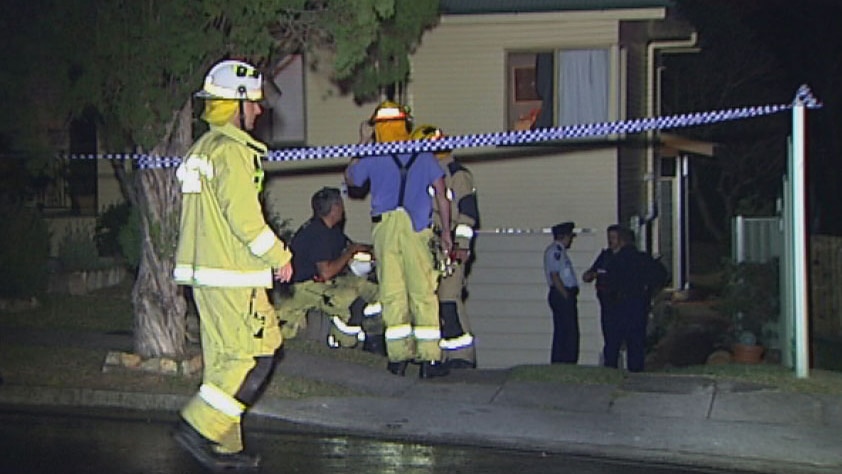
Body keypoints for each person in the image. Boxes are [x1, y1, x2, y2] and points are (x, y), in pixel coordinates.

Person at [171, 58, 293, 471]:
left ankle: (225, 447)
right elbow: (245, 219)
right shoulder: (233, 153)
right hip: (234, 276)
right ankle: (198, 427)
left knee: (227, 360)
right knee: (254, 356)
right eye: (254, 103)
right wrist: (280, 256)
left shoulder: (203, 149)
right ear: (237, 103)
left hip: (208, 275)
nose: (259, 111)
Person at [345, 100, 453, 379]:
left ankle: (398, 358)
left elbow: (353, 180)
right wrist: (447, 234)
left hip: (386, 229)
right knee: (424, 293)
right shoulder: (424, 155)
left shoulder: (373, 154)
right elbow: (442, 195)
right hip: (418, 228)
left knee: (392, 292)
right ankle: (430, 360)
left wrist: (361, 143)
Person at [276, 186, 384, 354]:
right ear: (334, 208)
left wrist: (374, 251)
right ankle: (345, 343)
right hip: (303, 286)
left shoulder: (330, 231)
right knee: (346, 298)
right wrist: (349, 253)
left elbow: (350, 246)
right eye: (341, 204)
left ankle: (376, 336)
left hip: (321, 281)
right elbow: (326, 272)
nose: (343, 209)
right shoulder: (318, 233)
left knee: (371, 289)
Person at [410, 124, 480, 369]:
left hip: (451, 248)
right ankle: (436, 354)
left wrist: (461, 245)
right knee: (431, 301)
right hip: (430, 245)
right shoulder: (424, 172)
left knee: (449, 299)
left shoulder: (457, 175)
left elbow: (468, 212)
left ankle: (461, 356)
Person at [597, 226, 668, 372]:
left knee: (612, 344)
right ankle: (636, 376)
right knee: (635, 344)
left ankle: (610, 374)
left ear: (621, 241)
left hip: (614, 307)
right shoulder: (643, 259)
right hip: (637, 305)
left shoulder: (611, 260)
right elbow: (661, 276)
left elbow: (604, 285)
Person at [582, 224, 623, 361]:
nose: (611, 241)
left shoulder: (625, 257)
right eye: (609, 238)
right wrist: (591, 274)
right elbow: (590, 273)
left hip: (621, 301)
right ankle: (610, 362)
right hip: (606, 301)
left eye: (613, 238)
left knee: (619, 334)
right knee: (609, 334)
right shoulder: (605, 256)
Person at [543, 221, 580, 364]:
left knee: (567, 330)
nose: (571, 240)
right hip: (561, 294)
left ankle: (566, 360)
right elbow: (555, 275)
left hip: (563, 294)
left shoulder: (560, 251)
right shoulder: (555, 252)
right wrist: (565, 295)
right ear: (564, 236)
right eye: (570, 236)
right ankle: (563, 360)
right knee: (566, 331)